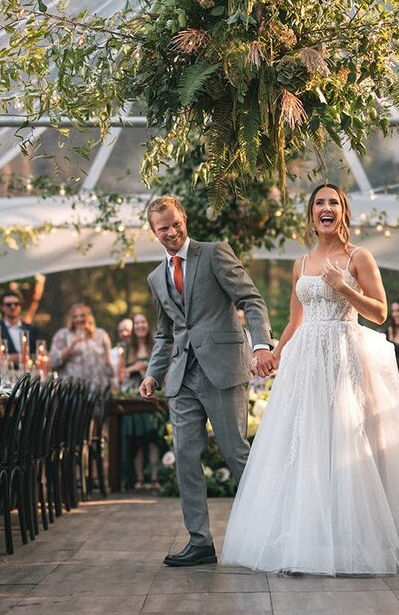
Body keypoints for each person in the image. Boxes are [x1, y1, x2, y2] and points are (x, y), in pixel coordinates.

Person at [221, 183, 399, 575]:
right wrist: (275, 351)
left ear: (342, 212)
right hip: (306, 361)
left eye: (333, 203)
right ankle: (304, 540)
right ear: (311, 215)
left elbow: (377, 312)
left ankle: (353, 540)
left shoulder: (359, 257)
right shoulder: (301, 264)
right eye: (319, 203)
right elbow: (296, 319)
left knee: (346, 441)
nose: (326, 208)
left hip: (344, 355)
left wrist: (344, 286)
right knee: (305, 443)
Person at [138, 195, 275, 568]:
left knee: (235, 451)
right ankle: (200, 541)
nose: (171, 231)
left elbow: (250, 299)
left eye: (175, 223)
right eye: (162, 228)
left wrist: (261, 346)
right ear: (154, 232)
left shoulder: (214, 253)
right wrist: (153, 373)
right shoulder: (156, 277)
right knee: (184, 456)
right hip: (182, 377)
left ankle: (273, 529)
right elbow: (165, 334)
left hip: (223, 367)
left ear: (184, 219)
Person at [122, 312, 163, 488]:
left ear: (147, 325)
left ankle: (154, 478)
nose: (140, 325)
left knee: (153, 438)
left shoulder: (155, 345)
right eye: (136, 323)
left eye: (143, 322)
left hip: (152, 396)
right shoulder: (126, 349)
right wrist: (135, 367)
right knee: (137, 440)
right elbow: (119, 374)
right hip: (133, 398)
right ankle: (139, 478)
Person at [49, 303, 116, 388]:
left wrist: (114, 381)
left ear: (89, 317)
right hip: (71, 389)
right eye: (75, 316)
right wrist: (72, 346)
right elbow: (53, 362)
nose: (79, 319)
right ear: (71, 319)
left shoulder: (101, 335)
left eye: (82, 315)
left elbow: (109, 363)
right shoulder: (62, 335)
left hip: (97, 388)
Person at [0, 292, 41, 369]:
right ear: (2, 307)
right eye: (8, 304)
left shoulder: (32, 330)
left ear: (20, 306)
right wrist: (10, 358)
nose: (13, 307)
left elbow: (39, 354)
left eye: (16, 304)